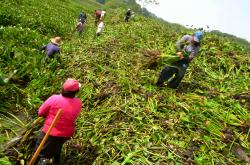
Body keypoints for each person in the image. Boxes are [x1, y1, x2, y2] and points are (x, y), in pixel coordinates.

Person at [34, 78, 82, 164]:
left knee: (39, 153)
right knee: (57, 147)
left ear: (63, 89)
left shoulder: (54, 98)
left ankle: (42, 161)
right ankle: (56, 161)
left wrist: (46, 115)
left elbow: (40, 112)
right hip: (67, 134)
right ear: (76, 92)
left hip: (50, 132)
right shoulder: (78, 102)